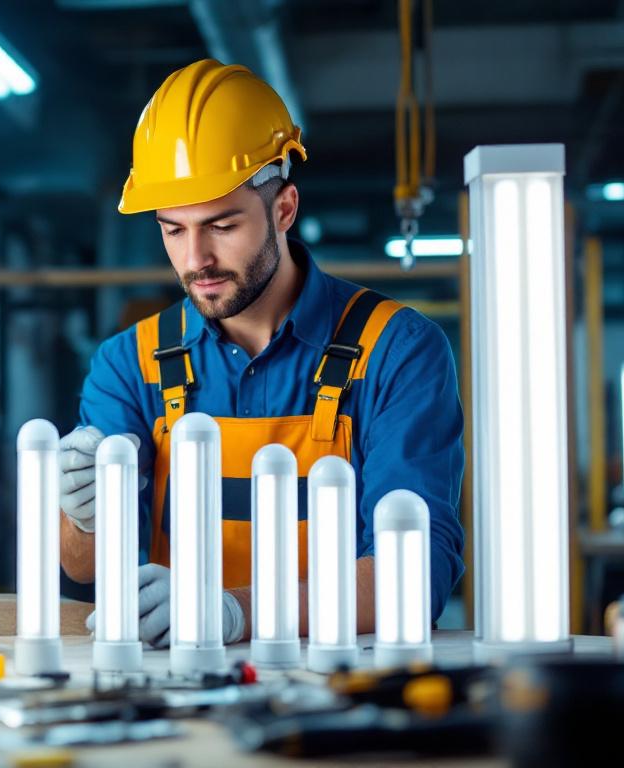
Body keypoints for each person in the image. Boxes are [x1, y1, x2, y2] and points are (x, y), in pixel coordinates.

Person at [61, 60, 465, 647]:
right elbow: (86, 569)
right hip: (177, 694)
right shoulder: (131, 362)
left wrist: (235, 612)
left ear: (283, 209)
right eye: (173, 229)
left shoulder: (397, 350)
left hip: (343, 691)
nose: (195, 258)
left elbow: (418, 569)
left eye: (221, 225)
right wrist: (84, 517)